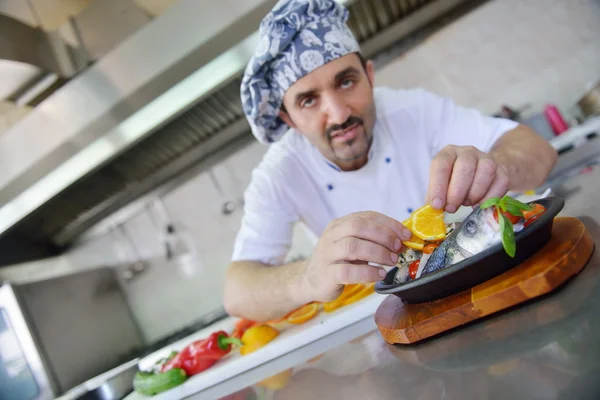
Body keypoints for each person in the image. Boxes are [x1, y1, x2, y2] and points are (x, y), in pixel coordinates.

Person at [223, 0, 557, 322]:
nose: (339, 113)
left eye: (347, 81)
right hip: (375, 324)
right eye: (309, 100)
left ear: (370, 76)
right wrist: (308, 277)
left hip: (477, 284)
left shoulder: (413, 111)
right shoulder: (279, 173)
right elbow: (237, 292)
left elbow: (539, 151)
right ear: (290, 119)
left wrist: (495, 167)